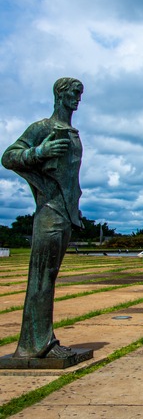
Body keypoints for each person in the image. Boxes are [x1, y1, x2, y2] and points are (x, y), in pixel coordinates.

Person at [2, 78, 84, 359]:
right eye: (74, 93)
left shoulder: (72, 132)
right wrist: (40, 152)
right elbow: (9, 156)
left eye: (80, 94)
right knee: (41, 278)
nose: (78, 98)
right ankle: (35, 345)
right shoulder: (43, 128)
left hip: (64, 211)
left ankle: (42, 341)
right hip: (48, 210)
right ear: (60, 94)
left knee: (49, 277)